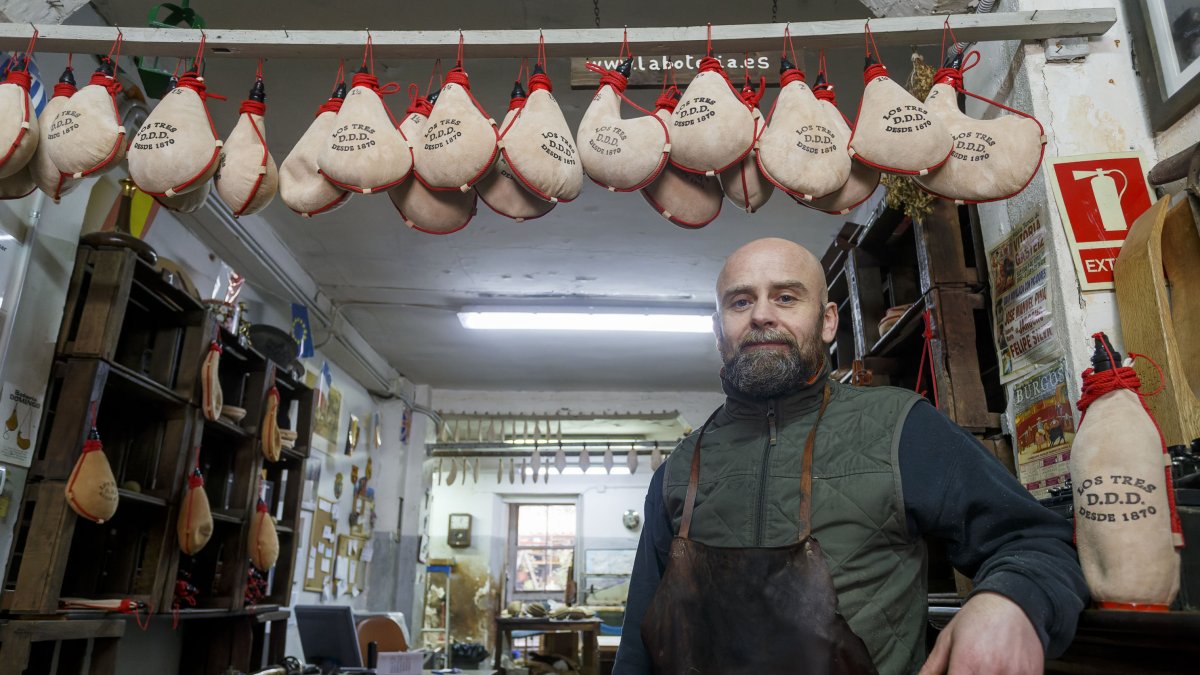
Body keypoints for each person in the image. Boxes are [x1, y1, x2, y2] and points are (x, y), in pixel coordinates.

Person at [613, 238, 1087, 675]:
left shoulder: (903, 427)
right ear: (719, 330)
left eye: (785, 297)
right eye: (740, 301)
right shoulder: (679, 468)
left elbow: (1034, 539)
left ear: (827, 321)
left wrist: (1010, 599)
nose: (761, 315)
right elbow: (639, 644)